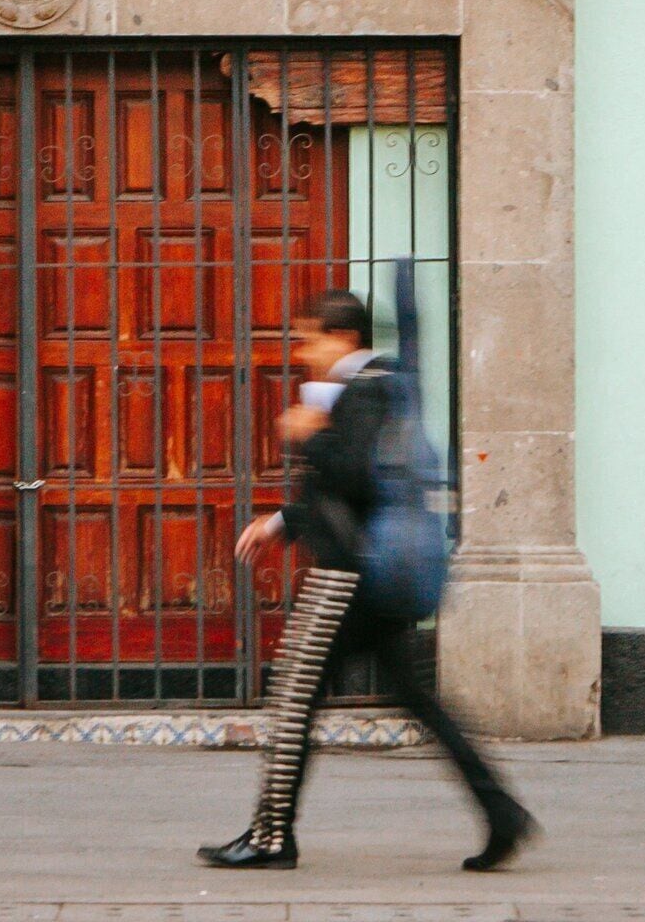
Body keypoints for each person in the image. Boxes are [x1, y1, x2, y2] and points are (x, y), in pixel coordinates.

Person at [199, 289, 535, 873]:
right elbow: (346, 489)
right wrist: (281, 521)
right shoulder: (375, 386)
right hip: (371, 573)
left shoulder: (365, 390)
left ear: (345, 339)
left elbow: (353, 476)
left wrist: (310, 434)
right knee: (417, 700)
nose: (304, 352)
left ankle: (272, 837)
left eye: (312, 338)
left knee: (294, 697)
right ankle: (501, 811)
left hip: (346, 580)